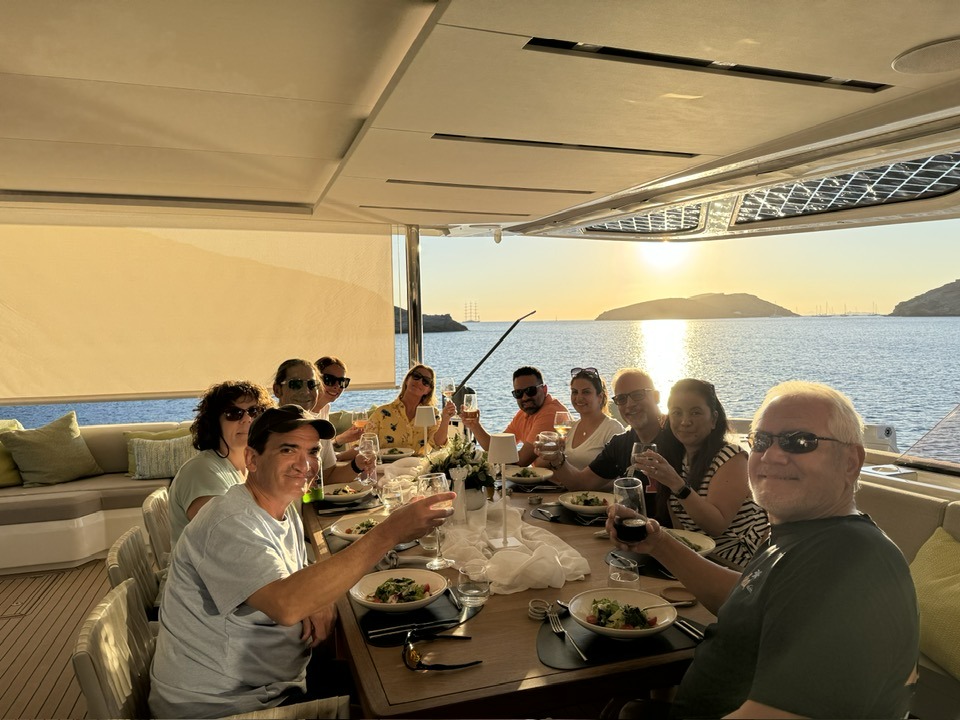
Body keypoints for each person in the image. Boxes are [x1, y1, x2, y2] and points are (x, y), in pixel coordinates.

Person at [607, 381, 919, 719]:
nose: (772, 455)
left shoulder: (850, 559)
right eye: (762, 441)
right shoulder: (802, 537)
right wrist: (658, 543)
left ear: (850, 461)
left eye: (800, 442)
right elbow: (746, 598)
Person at [150, 405, 455, 718]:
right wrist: (389, 531)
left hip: (271, 681)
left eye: (312, 451)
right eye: (288, 449)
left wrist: (317, 599)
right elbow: (287, 604)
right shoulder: (227, 521)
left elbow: (293, 583)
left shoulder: (279, 508)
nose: (306, 464)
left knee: (404, 674)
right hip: (226, 706)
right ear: (253, 460)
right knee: (409, 695)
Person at [636, 378, 767, 567]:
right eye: (677, 413)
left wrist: (676, 484)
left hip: (736, 565)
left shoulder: (732, 457)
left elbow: (716, 526)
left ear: (713, 419)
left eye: (695, 413)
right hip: (699, 560)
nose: (685, 421)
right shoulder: (678, 460)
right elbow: (684, 531)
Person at [168, 380, 273, 547]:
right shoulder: (202, 471)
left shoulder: (248, 468)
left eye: (254, 411)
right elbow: (224, 537)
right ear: (214, 424)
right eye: (234, 413)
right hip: (202, 571)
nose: (247, 419)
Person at [542, 369, 665, 498]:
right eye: (621, 399)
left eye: (638, 395)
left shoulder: (677, 436)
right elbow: (580, 484)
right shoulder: (619, 444)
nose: (630, 404)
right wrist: (556, 458)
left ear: (656, 397)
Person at [273, 358, 370, 484]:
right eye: (296, 384)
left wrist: (357, 465)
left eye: (312, 385)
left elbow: (328, 475)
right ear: (277, 390)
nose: (305, 391)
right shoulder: (266, 430)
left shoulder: (320, 427)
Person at [462, 366, 568, 466]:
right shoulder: (523, 414)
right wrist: (475, 426)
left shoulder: (551, 413)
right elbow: (497, 447)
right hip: (541, 482)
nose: (525, 397)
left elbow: (522, 460)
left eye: (531, 391)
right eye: (519, 393)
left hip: (559, 484)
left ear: (544, 390)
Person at [365, 364, 455, 455]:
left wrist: (446, 419)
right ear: (407, 380)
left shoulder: (431, 413)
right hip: (386, 467)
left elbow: (438, 444)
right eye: (416, 376)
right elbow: (365, 445)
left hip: (417, 467)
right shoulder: (381, 413)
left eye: (426, 381)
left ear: (428, 390)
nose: (419, 382)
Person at [564, 367, 623, 470]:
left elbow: (619, 477)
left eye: (586, 392)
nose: (579, 398)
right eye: (575, 392)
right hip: (566, 486)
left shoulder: (613, 429)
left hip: (593, 487)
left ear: (600, 397)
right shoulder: (570, 428)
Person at [313, 355, 363, 459]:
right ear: (315, 379)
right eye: (329, 380)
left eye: (342, 382)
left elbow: (320, 451)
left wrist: (340, 439)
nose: (336, 386)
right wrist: (341, 456)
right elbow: (311, 455)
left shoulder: (325, 408)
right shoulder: (303, 412)